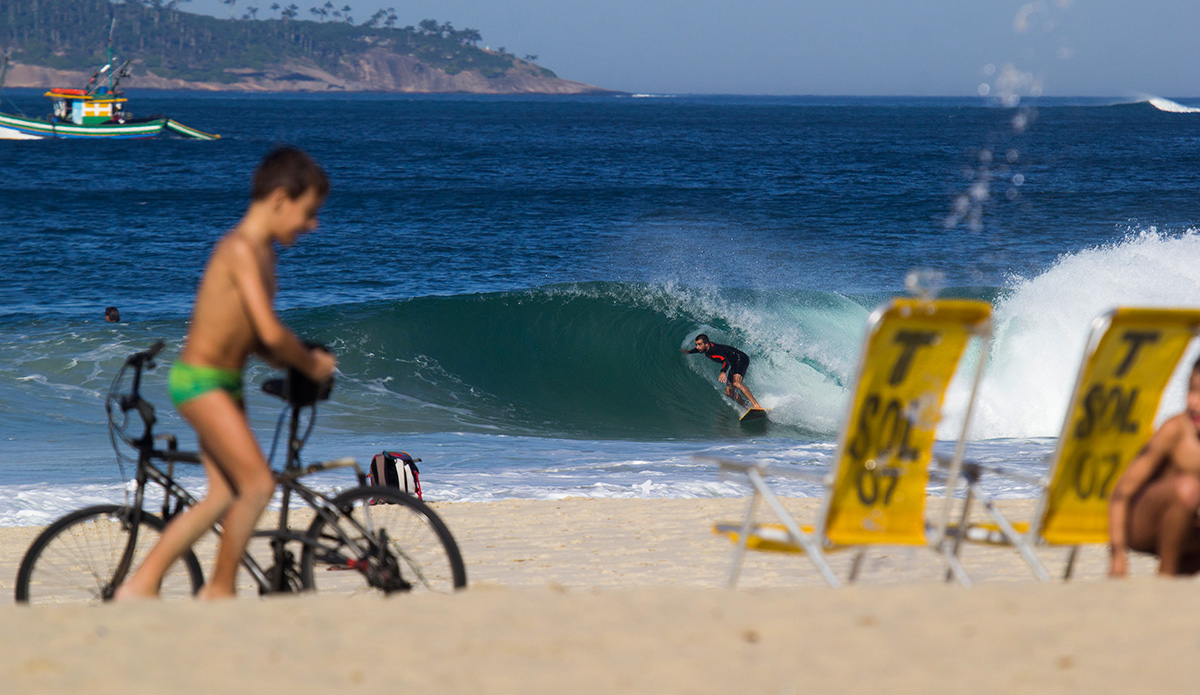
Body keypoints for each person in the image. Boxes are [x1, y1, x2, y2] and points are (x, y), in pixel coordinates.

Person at [116, 146, 336, 600]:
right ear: (279, 199)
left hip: (225, 383)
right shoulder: (239, 249)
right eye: (308, 212)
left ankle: (140, 586)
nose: (313, 225)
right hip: (199, 382)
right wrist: (309, 362)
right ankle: (219, 592)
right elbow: (273, 334)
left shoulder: (265, 255)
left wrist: (289, 360)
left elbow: (255, 337)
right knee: (257, 484)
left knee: (223, 495)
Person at [1108, 357, 1200, 577]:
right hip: (1140, 525)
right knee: (1187, 488)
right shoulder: (1175, 431)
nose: (1193, 402)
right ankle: (1165, 574)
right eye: (1192, 390)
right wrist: (1118, 555)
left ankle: (1176, 578)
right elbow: (1120, 494)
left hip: (1183, 528)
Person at [681, 334, 763, 410]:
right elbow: (697, 350)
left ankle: (756, 406)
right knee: (728, 392)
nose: (697, 347)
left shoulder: (714, 351)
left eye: (699, 344)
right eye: (696, 345)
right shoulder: (706, 348)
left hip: (740, 359)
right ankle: (749, 408)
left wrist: (723, 372)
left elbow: (725, 362)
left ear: (706, 344)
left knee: (737, 383)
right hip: (734, 363)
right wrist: (688, 352)